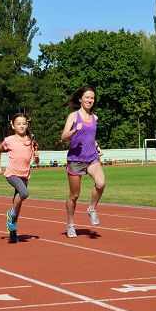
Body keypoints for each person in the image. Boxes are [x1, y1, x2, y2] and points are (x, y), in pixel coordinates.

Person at [60, 85, 105, 238]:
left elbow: (90, 137)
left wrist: (97, 146)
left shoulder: (94, 118)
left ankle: (92, 208)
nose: (89, 100)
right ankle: (71, 224)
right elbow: (63, 136)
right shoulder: (73, 116)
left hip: (91, 157)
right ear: (80, 99)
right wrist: (75, 130)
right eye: (87, 97)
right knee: (74, 195)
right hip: (75, 159)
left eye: (92, 98)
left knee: (101, 183)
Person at [0, 113, 40, 243]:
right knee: (24, 193)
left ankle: (13, 230)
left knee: (18, 204)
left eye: (24, 123)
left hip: (25, 174)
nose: (22, 126)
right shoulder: (9, 140)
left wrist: (36, 155)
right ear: (13, 125)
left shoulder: (31, 141)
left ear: (27, 125)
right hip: (12, 173)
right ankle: (11, 213)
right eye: (18, 123)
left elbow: (36, 161)